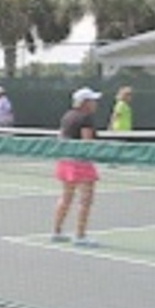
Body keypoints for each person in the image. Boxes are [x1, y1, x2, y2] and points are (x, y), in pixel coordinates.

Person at [52, 87, 101, 247]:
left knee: (66, 197)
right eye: (93, 100)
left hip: (64, 162)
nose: (95, 103)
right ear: (85, 103)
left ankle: (57, 232)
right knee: (85, 200)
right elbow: (86, 143)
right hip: (81, 163)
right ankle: (80, 236)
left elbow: (62, 137)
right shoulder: (86, 118)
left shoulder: (67, 116)